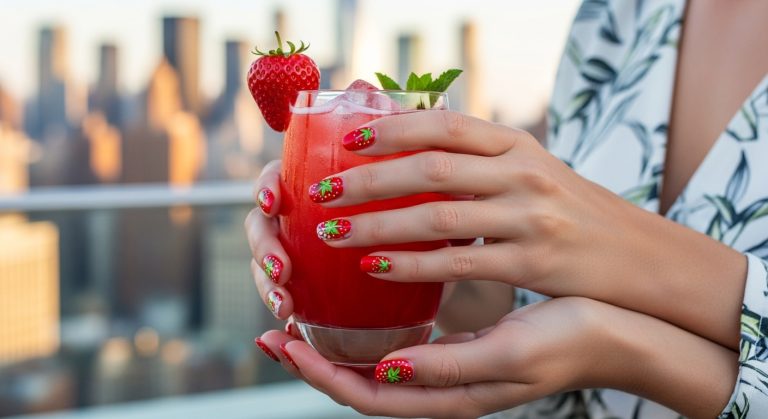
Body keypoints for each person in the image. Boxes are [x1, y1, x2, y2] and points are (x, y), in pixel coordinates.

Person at [245, 0, 768, 417]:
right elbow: (536, 295)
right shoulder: (614, 14)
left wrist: (620, 347)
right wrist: (436, 260)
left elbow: (594, 296)